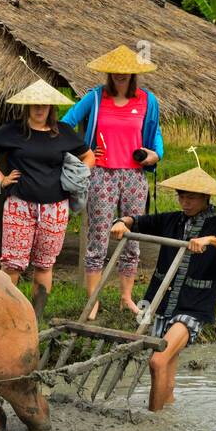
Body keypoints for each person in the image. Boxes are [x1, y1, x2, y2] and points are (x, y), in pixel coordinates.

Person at [110, 165, 216, 411]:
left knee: (157, 360)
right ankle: (166, 414)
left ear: (206, 198)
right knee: (164, 369)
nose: (185, 202)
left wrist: (212, 241)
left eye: (191, 197)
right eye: (181, 197)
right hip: (162, 303)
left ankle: (152, 421)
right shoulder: (171, 220)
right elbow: (138, 221)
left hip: (194, 307)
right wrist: (121, 222)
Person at [62, 44, 163, 319]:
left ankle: (126, 297)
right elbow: (64, 123)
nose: (120, 75)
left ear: (133, 73)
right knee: (98, 237)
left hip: (134, 176)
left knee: (132, 237)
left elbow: (156, 140)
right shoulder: (95, 98)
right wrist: (84, 152)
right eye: (115, 71)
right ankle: (93, 300)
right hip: (101, 175)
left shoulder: (147, 100)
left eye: (125, 71)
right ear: (108, 72)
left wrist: (153, 155)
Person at [0, 79, 95, 323]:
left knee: (45, 265)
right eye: (35, 104)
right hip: (19, 205)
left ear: (51, 107)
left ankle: (35, 319)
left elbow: (88, 156)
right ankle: (8, 318)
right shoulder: (11, 131)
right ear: (27, 106)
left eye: (44, 105)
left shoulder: (64, 132)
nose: (39, 109)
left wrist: (77, 177)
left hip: (55, 208)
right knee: (12, 265)